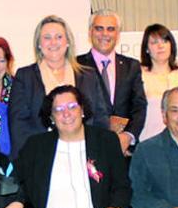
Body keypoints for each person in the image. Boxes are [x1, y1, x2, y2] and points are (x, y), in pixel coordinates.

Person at [9, 14, 110, 159]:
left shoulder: (88, 75)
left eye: (59, 37)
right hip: (41, 157)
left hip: (84, 155)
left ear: (68, 41)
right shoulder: (25, 76)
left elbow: (100, 119)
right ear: (38, 43)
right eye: (47, 37)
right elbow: (19, 126)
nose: (53, 42)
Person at [76, 9, 147, 154]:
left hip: (124, 150)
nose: (105, 34)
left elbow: (139, 106)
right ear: (90, 32)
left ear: (118, 34)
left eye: (111, 29)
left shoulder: (131, 66)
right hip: (88, 148)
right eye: (99, 28)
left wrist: (128, 137)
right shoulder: (76, 66)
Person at [139, 23, 178, 140]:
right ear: (146, 49)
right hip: (150, 141)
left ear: (171, 45)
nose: (160, 46)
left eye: (165, 41)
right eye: (154, 42)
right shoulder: (139, 76)